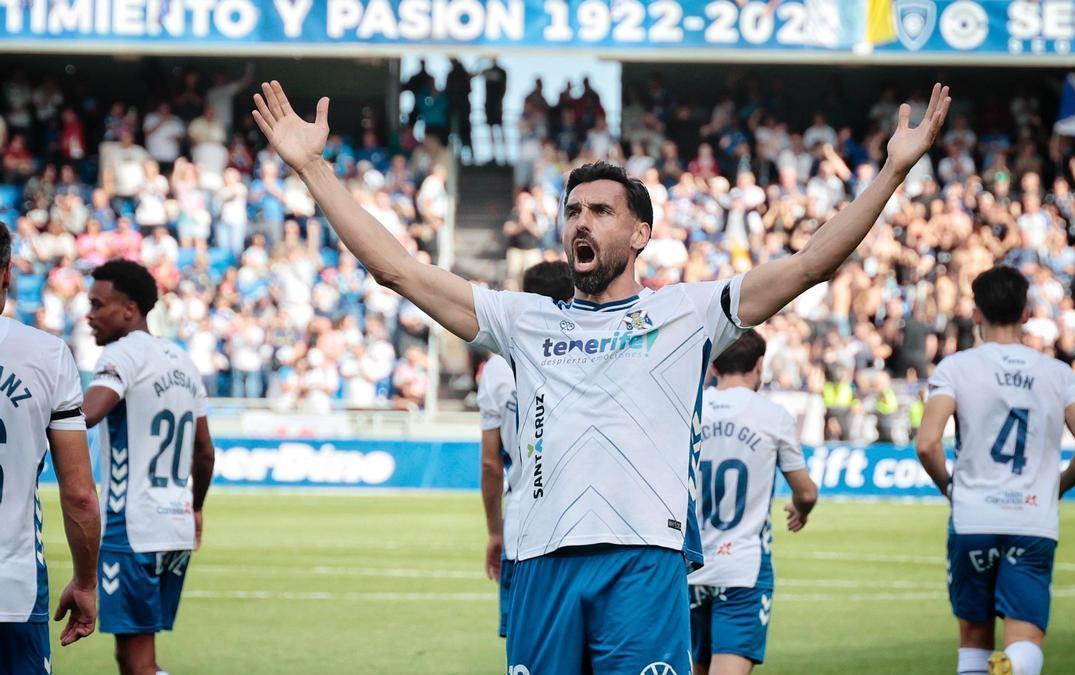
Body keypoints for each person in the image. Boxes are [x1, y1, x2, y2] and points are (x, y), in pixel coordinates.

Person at [253, 79, 950, 673]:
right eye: (573, 211)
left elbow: (808, 267)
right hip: (540, 565)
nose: (579, 222)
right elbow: (398, 268)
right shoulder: (525, 320)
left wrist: (891, 172)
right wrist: (315, 170)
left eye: (600, 211)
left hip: (642, 564)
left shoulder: (689, 312)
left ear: (639, 232)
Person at [915, 266, 1075, 675]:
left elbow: (927, 443)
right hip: (1033, 517)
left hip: (974, 516)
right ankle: (1015, 667)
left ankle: (1003, 669)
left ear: (976, 313)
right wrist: (1057, 486)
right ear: (1025, 313)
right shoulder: (1057, 374)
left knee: (973, 638)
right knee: (1026, 638)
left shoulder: (956, 368)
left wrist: (950, 487)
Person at [81, 259, 215, 675]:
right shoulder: (183, 361)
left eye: (98, 304)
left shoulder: (122, 355)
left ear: (129, 309)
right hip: (173, 526)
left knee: (138, 664)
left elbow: (87, 414)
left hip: (132, 526)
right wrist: (195, 508)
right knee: (136, 657)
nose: (89, 314)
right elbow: (205, 451)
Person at [0, 224, 101, 674]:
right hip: (12, 592)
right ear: (7, 273)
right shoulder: (47, 354)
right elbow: (79, 494)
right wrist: (85, 581)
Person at [687, 330, 818, 675]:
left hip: (689, 568)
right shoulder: (772, 416)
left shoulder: (689, 411)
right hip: (742, 567)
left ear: (713, 365)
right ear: (759, 365)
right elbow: (805, 492)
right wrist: (800, 510)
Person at [478, 261, 574, 639]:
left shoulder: (498, 368)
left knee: (529, 652)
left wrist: (494, 531)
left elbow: (489, 463)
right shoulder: (585, 353)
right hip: (580, 529)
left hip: (523, 529)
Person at [481, 59, 507, 163]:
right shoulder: (486, 71)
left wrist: (500, 102)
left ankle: (504, 154)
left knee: (499, 129)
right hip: (490, 104)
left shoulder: (501, 71)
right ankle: (494, 154)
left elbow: (504, 87)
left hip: (496, 104)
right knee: (491, 130)